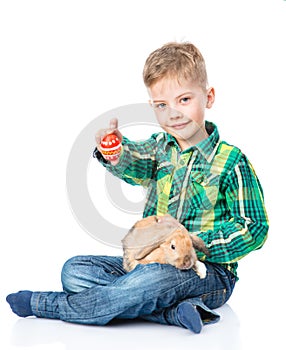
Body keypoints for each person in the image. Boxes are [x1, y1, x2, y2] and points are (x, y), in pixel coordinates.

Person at [6, 42, 269, 334]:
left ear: (208, 97)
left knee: (153, 281)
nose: (173, 114)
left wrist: (196, 245)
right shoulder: (159, 148)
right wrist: (115, 151)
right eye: (161, 105)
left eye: (184, 100)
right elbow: (134, 161)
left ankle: (49, 305)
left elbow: (254, 227)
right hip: (147, 262)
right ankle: (172, 314)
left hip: (206, 273)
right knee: (74, 271)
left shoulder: (231, 162)